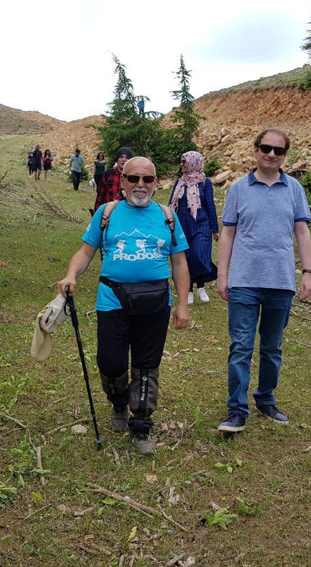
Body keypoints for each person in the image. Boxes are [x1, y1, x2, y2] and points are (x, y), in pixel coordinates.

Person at [58, 157, 190, 455]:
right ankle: (118, 401)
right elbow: (85, 253)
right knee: (110, 362)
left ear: (156, 182)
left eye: (147, 179)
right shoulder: (107, 213)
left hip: (156, 301)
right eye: (133, 179)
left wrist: (183, 304)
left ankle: (141, 424)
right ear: (122, 181)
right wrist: (70, 274)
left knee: (146, 366)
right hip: (112, 300)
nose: (140, 185)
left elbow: (179, 263)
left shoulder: (168, 216)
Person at [216, 129, 311, 434]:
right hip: (244, 280)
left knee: (272, 347)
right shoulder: (237, 189)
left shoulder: (294, 189)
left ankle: (266, 398)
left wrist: (307, 272)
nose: (271, 154)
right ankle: (236, 410)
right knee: (241, 346)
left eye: (278, 150)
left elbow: (302, 232)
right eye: (265, 148)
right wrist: (222, 274)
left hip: (281, 281)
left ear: (285, 155)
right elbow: (228, 233)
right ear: (255, 150)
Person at [168, 151, 219, 305]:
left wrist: (215, 229)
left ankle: (202, 286)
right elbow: (171, 204)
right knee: (187, 257)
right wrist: (168, 224)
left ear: (193, 162)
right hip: (182, 225)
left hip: (202, 224)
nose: (182, 164)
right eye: (181, 161)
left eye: (184, 162)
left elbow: (210, 205)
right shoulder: (179, 182)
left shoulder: (205, 182)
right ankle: (190, 289)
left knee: (199, 254)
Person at [94, 147, 132, 212]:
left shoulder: (134, 176)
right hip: (109, 213)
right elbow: (100, 196)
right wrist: (97, 213)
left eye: (127, 157)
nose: (124, 159)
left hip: (126, 213)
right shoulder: (109, 174)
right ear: (117, 159)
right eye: (121, 157)